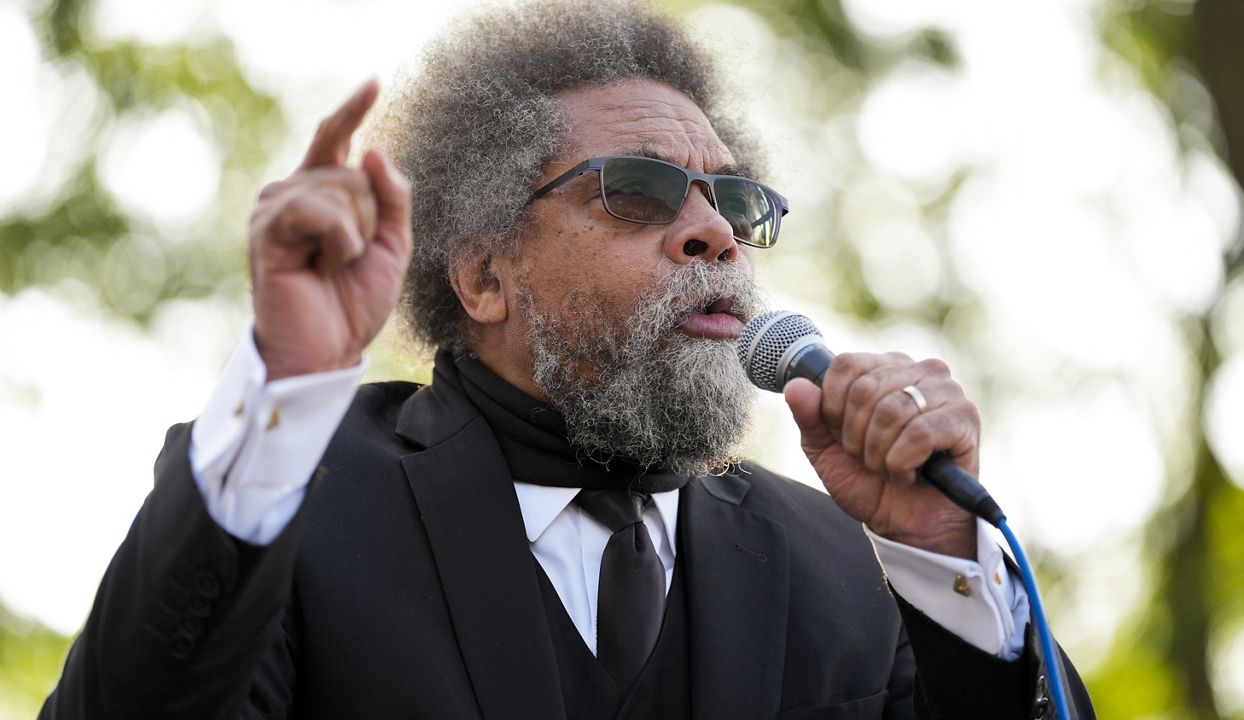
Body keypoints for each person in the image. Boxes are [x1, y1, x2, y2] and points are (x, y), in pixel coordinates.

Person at [42, 1, 1094, 718]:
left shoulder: (852, 560)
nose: (711, 233)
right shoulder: (295, 499)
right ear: (483, 274)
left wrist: (943, 546)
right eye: (635, 190)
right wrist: (287, 379)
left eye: (731, 202)